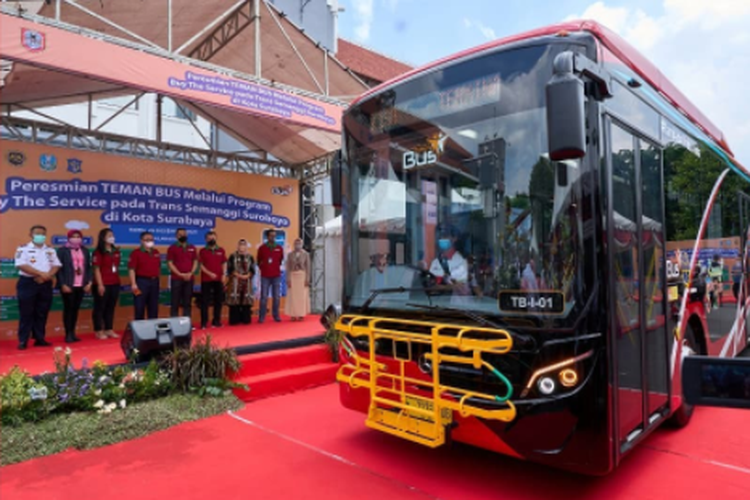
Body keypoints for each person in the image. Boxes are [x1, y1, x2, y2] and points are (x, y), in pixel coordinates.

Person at [14, 225, 60, 350]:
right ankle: (23, 340)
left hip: (45, 283)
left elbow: (56, 265)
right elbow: (21, 265)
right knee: (26, 312)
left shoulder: (50, 250)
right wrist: (40, 274)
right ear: (31, 234)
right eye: (37, 233)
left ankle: (39, 338)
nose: (40, 236)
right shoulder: (23, 249)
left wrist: (47, 276)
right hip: (28, 283)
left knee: (42, 312)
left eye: (43, 234)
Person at [56, 229, 93, 343]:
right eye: (74, 236)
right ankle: (68, 334)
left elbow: (88, 268)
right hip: (68, 285)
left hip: (81, 284)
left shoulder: (85, 250)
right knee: (68, 309)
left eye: (78, 236)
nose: (76, 238)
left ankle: (73, 333)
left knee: (75, 309)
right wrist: (62, 284)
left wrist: (89, 282)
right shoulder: (62, 251)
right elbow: (58, 270)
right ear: (68, 238)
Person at [92, 228, 121, 339]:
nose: (112, 237)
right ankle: (98, 330)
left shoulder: (116, 251)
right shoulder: (98, 252)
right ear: (103, 238)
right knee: (100, 307)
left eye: (112, 235)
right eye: (109, 235)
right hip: (102, 283)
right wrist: (100, 284)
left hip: (114, 282)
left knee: (111, 307)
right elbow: (96, 269)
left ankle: (109, 329)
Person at [128, 231, 161, 320]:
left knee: (153, 307)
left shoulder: (156, 252)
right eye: (147, 239)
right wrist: (133, 283)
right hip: (141, 282)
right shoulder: (136, 253)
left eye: (151, 239)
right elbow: (131, 269)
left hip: (154, 282)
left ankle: (153, 330)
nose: (149, 241)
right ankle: (140, 330)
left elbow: (158, 267)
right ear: (141, 241)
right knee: (139, 307)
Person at [167, 228, 197, 319]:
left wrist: (191, 273)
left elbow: (195, 261)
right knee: (175, 302)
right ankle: (174, 323)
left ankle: (186, 323)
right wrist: (180, 274)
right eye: (180, 234)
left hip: (189, 278)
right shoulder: (172, 248)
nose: (183, 236)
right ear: (176, 236)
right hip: (176, 279)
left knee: (187, 302)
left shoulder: (192, 247)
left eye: (184, 234)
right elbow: (170, 263)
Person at [199, 230, 227, 329]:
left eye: (213, 238)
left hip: (219, 279)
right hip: (206, 279)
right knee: (205, 301)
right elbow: (200, 265)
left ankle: (216, 321)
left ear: (216, 238)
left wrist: (224, 274)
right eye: (209, 238)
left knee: (218, 301)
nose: (212, 240)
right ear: (206, 239)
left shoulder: (221, 250)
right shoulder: (202, 251)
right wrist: (209, 273)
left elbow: (224, 263)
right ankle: (204, 323)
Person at [257, 229, 284, 323]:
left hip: (276, 275)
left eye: (274, 235)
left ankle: (276, 315)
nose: (273, 237)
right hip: (265, 276)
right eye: (271, 235)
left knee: (276, 296)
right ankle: (261, 316)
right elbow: (259, 260)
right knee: (264, 297)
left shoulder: (279, 248)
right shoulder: (262, 248)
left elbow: (280, 260)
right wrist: (264, 268)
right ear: (267, 237)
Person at [226, 239, 255, 325]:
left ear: (246, 246)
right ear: (237, 246)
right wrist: (238, 275)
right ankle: (235, 319)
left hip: (247, 280)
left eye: (244, 245)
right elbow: (230, 268)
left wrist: (246, 276)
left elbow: (253, 269)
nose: (242, 246)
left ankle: (245, 319)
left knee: (246, 299)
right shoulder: (232, 256)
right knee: (235, 299)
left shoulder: (250, 257)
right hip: (235, 280)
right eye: (240, 244)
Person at [285, 238, 310, 321]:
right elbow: (288, 268)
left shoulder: (306, 254)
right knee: (292, 295)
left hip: (302, 276)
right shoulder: (290, 255)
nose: (298, 245)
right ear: (294, 244)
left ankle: (301, 314)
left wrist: (307, 279)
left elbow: (308, 268)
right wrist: (288, 279)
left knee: (302, 296)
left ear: (302, 244)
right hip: (293, 275)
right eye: (296, 243)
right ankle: (293, 314)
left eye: (299, 243)